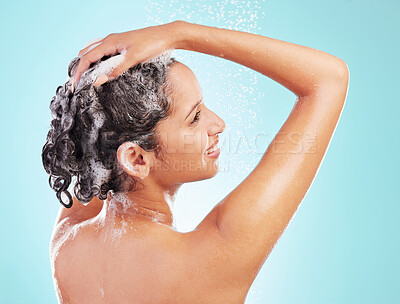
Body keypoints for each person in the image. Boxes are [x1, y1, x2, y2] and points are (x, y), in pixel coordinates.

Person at [42, 20, 349, 303]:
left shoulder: (68, 241)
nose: (218, 124)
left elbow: (95, 122)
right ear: (136, 158)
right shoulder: (213, 256)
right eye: (195, 117)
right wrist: (178, 33)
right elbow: (327, 80)